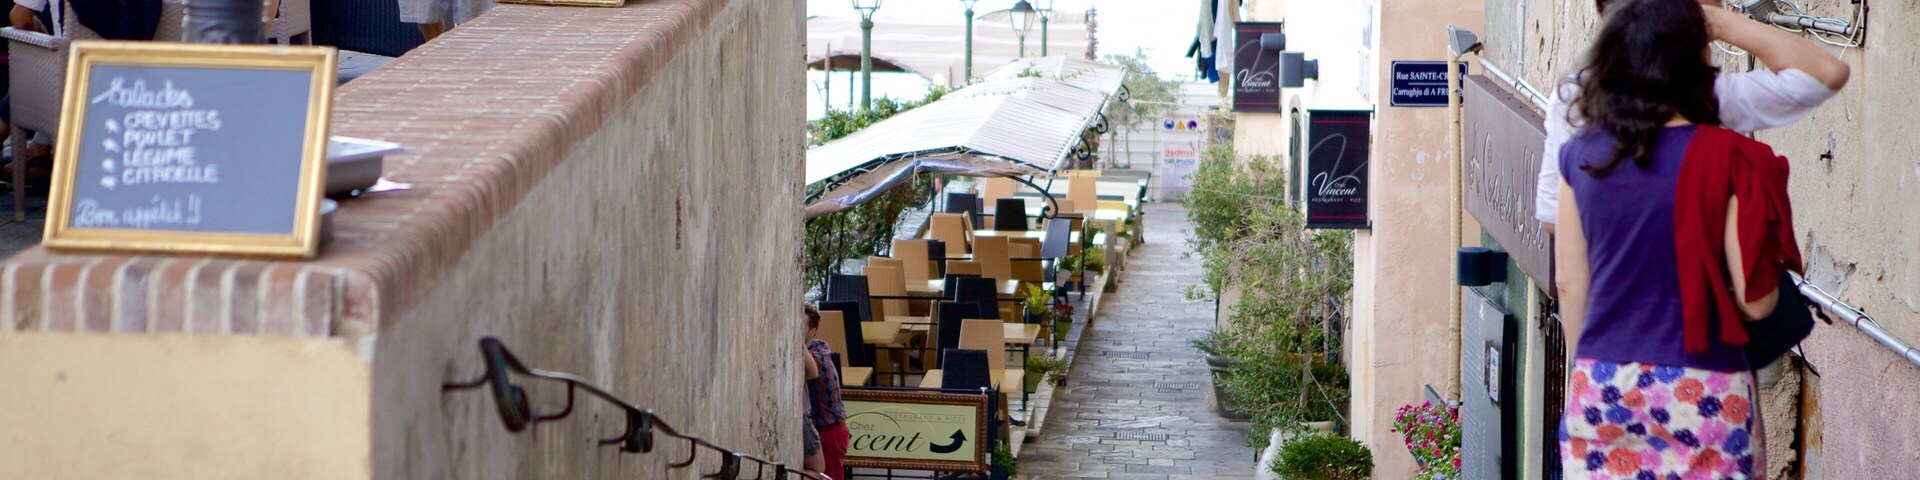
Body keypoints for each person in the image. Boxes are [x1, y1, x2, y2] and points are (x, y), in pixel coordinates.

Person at [1552, 0, 1807, 478]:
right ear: (1695, 66)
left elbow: (1569, 282)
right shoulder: (1728, 155)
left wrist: (1584, 372)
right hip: (1706, 385)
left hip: (1603, 381)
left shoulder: (1577, 156)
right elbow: (1755, 301)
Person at [1536, 0, 1848, 235]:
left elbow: (1553, 218)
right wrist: (1719, 21)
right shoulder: (1698, 95)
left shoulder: (1578, 94)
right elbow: (1826, 73)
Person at [801, 304, 848, 479]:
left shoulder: (815, 356)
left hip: (830, 430)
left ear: (812, 332)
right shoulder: (820, 345)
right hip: (828, 427)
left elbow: (812, 371)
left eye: (800, 327)